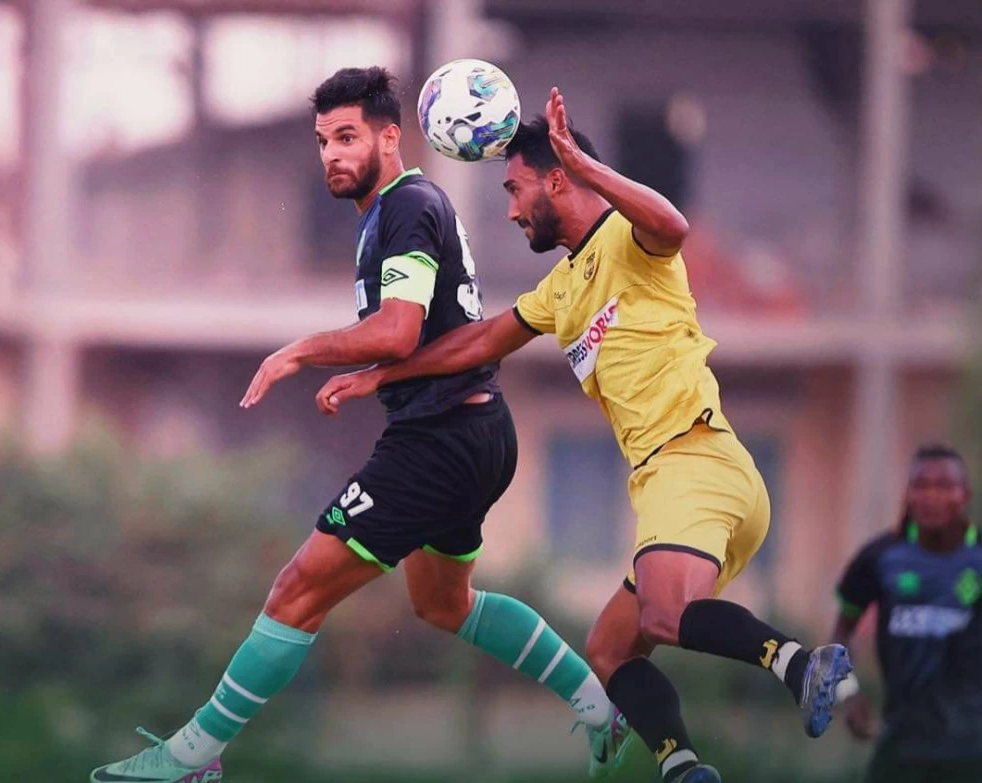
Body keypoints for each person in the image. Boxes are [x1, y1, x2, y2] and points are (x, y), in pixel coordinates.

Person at [90, 68, 626, 783]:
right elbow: (413, 334)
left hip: (437, 440)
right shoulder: (393, 213)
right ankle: (601, 709)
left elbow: (398, 330)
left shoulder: (407, 204)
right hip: (475, 430)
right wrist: (375, 375)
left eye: (347, 136)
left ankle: (192, 758)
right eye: (323, 141)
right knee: (442, 602)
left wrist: (299, 350)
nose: (332, 154)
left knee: (296, 587)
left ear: (390, 136)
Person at [317, 87, 856, 783]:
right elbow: (481, 339)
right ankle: (683, 765)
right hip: (681, 484)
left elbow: (673, 225)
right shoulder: (562, 287)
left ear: (558, 178)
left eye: (515, 189)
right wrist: (378, 375)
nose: (510, 210)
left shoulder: (631, 240)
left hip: (694, 460)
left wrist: (590, 165)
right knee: (609, 650)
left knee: (664, 613)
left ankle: (800, 665)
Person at [833, 444, 981, 783]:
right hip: (901, 745)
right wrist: (848, 693)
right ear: (908, 494)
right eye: (921, 485)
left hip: (973, 749)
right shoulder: (880, 557)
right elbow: (841, 632)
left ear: (965, 495)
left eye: (944, 486)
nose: (932, 496)